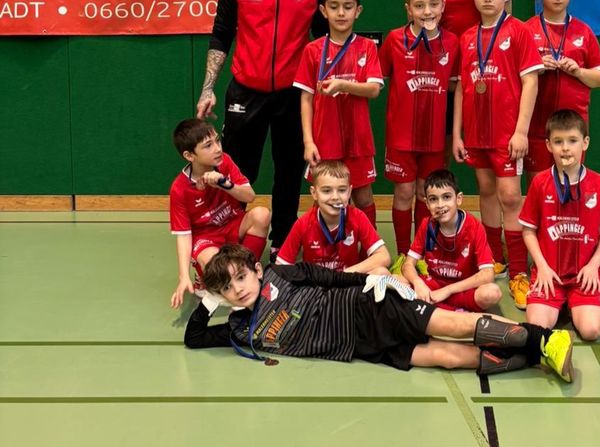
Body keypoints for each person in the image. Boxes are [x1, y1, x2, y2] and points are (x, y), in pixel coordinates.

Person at [183, 243, 574, 381]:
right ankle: (531, 357)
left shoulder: (279, 274)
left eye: (240, 278)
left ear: (255, 269)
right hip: (360, 348)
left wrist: (380, 281)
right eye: (227, 288)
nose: (238, 289)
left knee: (454, 324)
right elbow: (195, 338)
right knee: (448, 357)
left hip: (369, 308)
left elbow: (330, 278)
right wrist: (208, 301)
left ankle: (545, 339)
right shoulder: (237, 328)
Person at [195, 0, 325, 255]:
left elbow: (325, 39)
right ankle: (230, 244)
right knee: (237, 171)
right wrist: (208, 88)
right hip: (245, 92)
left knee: (288, 173)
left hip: (292, 95)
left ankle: (283, 244)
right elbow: (221, 34)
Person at [453, 0, 543, 310]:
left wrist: (521, 131)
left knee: (509, 196)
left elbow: (530, 81)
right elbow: (462, 87)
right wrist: (458, 134)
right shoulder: (467, 37)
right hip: (477, 133)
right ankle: (496, 259)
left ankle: (520, 271)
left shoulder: (519, 32)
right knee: (486, 192)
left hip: (508, 134)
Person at [519, 109, 600, 339]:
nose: (565, 148)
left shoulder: (598, 183)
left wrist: (594, 265)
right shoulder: (540, 182)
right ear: (548, 145)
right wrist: (542, 267)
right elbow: (528, 230)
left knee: (591, 330)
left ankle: (576, 303)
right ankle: (559, 304)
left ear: (585, 143)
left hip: (583, 276)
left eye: (572, 141)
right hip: (549, 275)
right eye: (558, 141)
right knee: (537, 329)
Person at [293, 0, 383, 227]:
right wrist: (308, 141)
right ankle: (320, 251)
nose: (341, 13)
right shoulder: (313, 50)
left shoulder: (367, 47)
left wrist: (343, 85)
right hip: (324, 141)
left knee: (363, 197)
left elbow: (374, 89)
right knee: (324, 196)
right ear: (323, 10)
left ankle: (369, 247)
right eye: (334, 6)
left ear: (358, 10)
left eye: (347, 6)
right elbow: (306, 99)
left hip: (359, 140)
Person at [379, 0, 459, 257]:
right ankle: (403, 256)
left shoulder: (452, 42)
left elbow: (455, 87)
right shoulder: (393, 40)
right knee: (403, 194)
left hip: (434, 138)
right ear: (408, 9)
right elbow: (380, 80)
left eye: (433, 4)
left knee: (427, 195)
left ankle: (422, 253)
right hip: (400, 137)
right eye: (420, 5)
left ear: (443, 6)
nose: (427, 11)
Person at [168, 119, 270, 308]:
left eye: (217, 141)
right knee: (215, 262)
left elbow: (250, 196)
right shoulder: (179, 189)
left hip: (232, 223)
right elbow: (183, 236)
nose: (217, 148)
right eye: (208, 145)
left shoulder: (225, 162)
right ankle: (204, 278)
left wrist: (224, 183)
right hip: (206, 238)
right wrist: (183, 276)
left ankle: (247, 273)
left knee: (262, 215)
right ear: (189, 155)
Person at [525, 0, 600, 176]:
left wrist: (579, 71)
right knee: (541, 187)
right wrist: (536, 67)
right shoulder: (526, 30)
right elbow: (513, 78)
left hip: (573, 127)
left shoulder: (584, 31)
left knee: (570, 186)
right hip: (536, 126)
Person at [402, 169, 501, 312]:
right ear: (427, 204)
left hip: (462, 289)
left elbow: (488, 275)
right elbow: (408, 265)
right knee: (394, 281)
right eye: (433, 199)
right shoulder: (427, 225)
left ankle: (436, 307)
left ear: (458, 199)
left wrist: (448, 291)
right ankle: (452, 309)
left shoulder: (474, 227)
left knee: (492, 292)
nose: (440, 204)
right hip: (434, 287)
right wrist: (418, 283)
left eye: (446, 197)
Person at [275, 160, 391, 273]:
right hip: (316, 287)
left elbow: (384, 257)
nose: (335, 197)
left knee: (381, 272)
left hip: (347, 283)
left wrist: (346, 273)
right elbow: (281, 264)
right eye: (327, 191)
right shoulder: (304, 223)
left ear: (349, 191)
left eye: (341, 190)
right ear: (314, 193)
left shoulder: (357, 217)